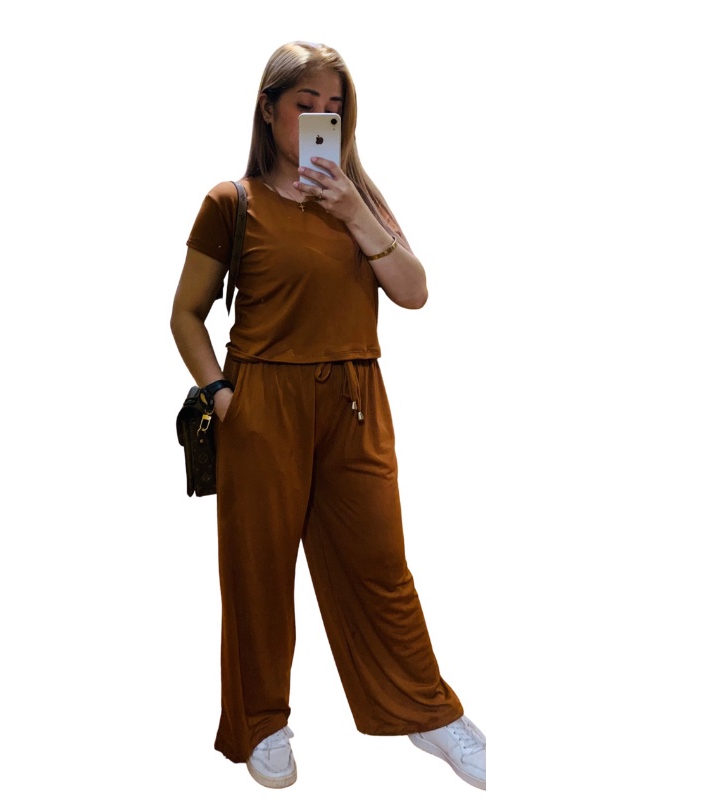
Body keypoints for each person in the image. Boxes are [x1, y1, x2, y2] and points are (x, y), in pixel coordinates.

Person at [170, 41, 486, 791]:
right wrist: (223, 397)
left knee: (380, 566)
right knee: (258, 572)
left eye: (334, 108)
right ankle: (260, 721)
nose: (320, 119)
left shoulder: (360, 199)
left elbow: (413, 292)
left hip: (355, 398)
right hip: (263, 401)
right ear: (268, 108)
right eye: (304, 104)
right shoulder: (232, 202)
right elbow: (185, 314)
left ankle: (426, 711)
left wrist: (352, 210)